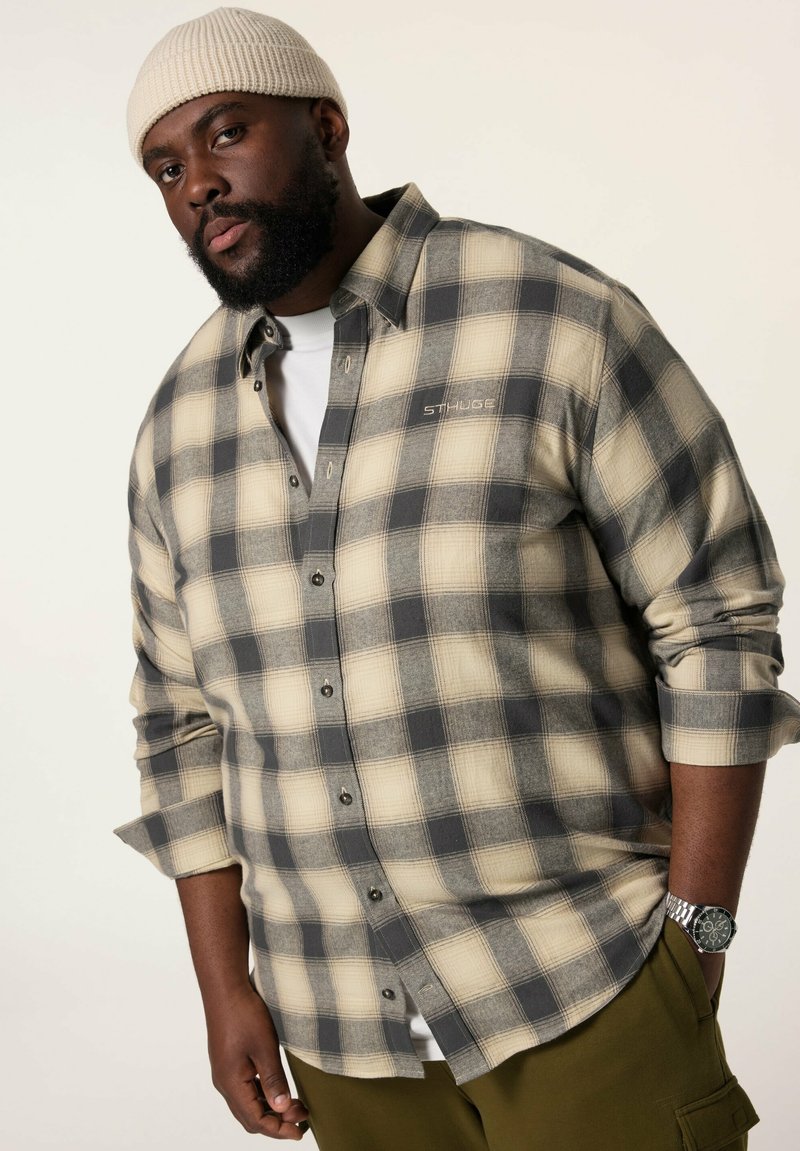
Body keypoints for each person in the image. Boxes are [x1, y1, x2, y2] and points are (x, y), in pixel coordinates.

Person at [115, 8, 800, 1149]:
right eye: (167, 168)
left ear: (327, 128)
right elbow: (178, 723)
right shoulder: (177, 427)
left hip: (588, 987)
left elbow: (715, 621)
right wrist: (224, 984)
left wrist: (699, 934)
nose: (200, 185)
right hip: (339, 1037)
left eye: (227, 133)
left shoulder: (554, 318)